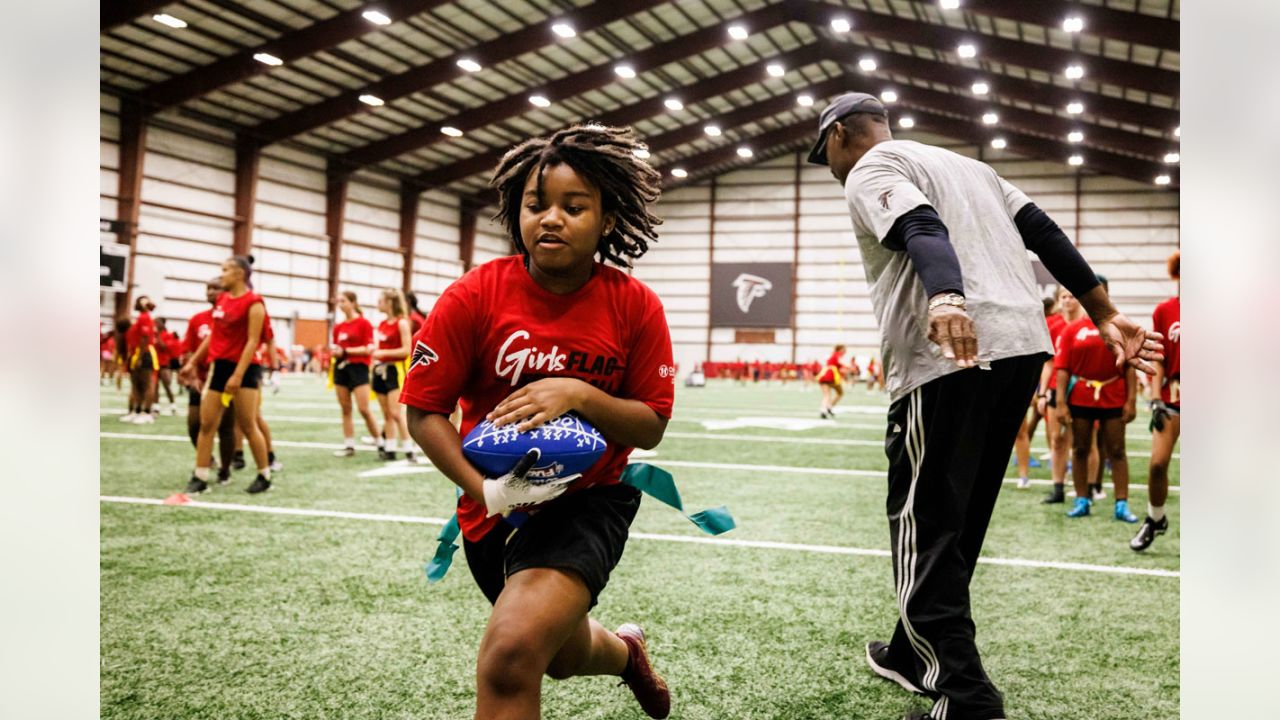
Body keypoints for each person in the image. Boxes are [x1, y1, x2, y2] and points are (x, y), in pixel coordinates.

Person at [808, 92, 1162, 720]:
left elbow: (920, 227)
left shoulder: (870, 168)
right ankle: (909, 654)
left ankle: (966, 697)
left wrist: (946, 297)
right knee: (959, 519)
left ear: (839, 135)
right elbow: (1045, 233)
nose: (831, 168)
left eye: (825, 155)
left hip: (948, 353)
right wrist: (1104, 312)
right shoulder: (974, 170)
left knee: (926, 524)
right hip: (1024, 346)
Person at [402, 124, 674, 719]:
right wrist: (487, 492)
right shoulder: (473, 295)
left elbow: (649, 425)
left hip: (587, 503)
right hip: (490, 509)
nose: (551, 219)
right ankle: (627, 654)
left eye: (574, 208)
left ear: (606, 220)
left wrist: (578, 393)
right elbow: (424, 411)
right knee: (557, 653)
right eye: (536, 205)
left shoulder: (635, 305)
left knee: (511, 653)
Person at [178, 255, 273, 495]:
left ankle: (264, 474)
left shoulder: (255, 303)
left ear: (240, 274)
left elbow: (253, 341)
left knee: (248, 425)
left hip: (245, 369)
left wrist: (238, 375)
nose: (222, 275)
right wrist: (192, 362)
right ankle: (200, 475)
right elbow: (212, 336)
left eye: (226, 270)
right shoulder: (221, 300)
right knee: (206, 423)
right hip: (218, 367)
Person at [1132, 251, 1180, 551]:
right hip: (1172, 396)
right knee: (1157, 464)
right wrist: (1153, 399)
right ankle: (1155, 519)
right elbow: (1159, 357)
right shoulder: (1164, 310)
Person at [182, 278, 236, 485]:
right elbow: (188, 349)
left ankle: (225, 469)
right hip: (201, 378)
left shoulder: (233, 318)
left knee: (226, 426)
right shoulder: (197, 319)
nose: (211, 292)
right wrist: (193, 374)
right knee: (195, 424)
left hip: (225, 377)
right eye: (209, 289)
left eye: (216, 288)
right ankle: (207, 459)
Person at [1039, 287, 1084, 504]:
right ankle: (1058, 487)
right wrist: (1041, 393)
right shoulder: (1053, 325)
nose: (1068, 300)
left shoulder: (1088, 324)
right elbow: (1048, 363)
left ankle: (1086, 488)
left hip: (1081, 390)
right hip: (1056, 390)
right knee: (1057, 440)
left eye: (1072, 295)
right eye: (1064, 296)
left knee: (1083, 442)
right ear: (1059, 300)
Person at [1012, 297, 1058, 488]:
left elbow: (1043, 364)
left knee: (1022, 430)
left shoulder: (1036, 331)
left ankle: (1024, 475)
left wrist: (1038, 392)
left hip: (1023, 383)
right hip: (1001, 381)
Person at [330, 291, 382, 458]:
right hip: (341, 369)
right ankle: (349, 445)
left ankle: (380, 442)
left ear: (353, 302)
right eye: (339, 301)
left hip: (358, 368)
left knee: (364, 408)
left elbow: (368, 348)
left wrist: (346, 351)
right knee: (345, 408)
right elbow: (337, 346)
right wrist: (336, 352)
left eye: (343, 301)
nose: (340, 304)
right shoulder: (338, 326)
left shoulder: (364, 323)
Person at [372, 288, 414, 461]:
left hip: (393, 371)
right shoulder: (382, 324)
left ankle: (408, 448)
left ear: (389, 302)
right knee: (386, 413)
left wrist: (383, 354)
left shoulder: (401, 323)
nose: (378, 304)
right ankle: (390, 448)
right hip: (379, 370)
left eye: (380, 301)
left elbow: (407, 349)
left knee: (396, 413)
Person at [121, 295, 157, 424]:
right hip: (138, 353)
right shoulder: (141, 317)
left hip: (144, 353)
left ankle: (146, 413)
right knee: (136, 384)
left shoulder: (144, 317)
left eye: (138, 301)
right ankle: (136, 411)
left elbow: (145, 338)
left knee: (147, 384)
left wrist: (140, 357)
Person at [153, 318, 180, 416]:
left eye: (156, 322)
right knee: (155, 387)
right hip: (154, 364)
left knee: (167, 386)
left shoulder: (168, 335)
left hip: (164, 364)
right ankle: (156, 407)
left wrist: (158, 337)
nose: (154, 324)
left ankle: (173, 405)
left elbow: (164, 347)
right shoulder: (153, 335)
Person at [817, 344, 849, 419]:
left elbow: (838, 365)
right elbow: (840, 364)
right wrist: (848, 367)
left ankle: (824, 409)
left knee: (827, 395)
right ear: (840, 349)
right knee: (839, 393)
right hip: (831, 377)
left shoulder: (833, 355)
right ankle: (828, 407)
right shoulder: (837, 355)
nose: (845, 351)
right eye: (844, 349)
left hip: (824, 376)